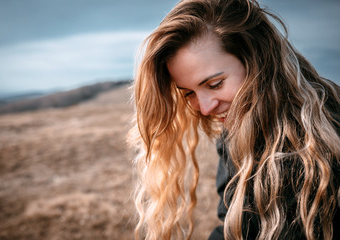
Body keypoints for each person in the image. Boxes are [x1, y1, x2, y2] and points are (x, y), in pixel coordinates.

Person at [128, 0, 340, 239]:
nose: (205, 108)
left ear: (257, 58)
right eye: (188, 93)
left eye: (215, 84)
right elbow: (233, 228)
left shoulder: (329, 134)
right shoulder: (233, 132)